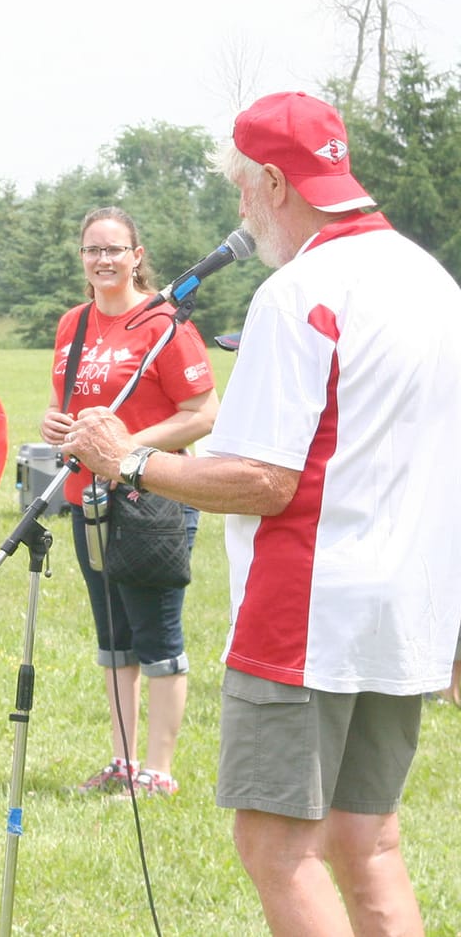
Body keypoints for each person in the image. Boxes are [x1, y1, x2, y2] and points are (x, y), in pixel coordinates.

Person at [65, 91, 461, 936]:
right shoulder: (432, 280)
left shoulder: (299, 291)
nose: (243, 211)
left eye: (245, 190)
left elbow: (265, 479)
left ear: (275, 182)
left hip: (308, 609)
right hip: (407, 608)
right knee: (368, 838)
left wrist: (127, 457)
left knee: (276, 846)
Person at [41, 206, 218, 798]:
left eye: (115, 250)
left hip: (153, 497)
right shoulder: (74, 323)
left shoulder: (165, 324)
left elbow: (201, 414)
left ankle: (159, 771)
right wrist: (58, 426)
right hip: (86, 497)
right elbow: (70, 402)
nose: (103, 260)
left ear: (137, 256)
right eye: (93, 250)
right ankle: (121, 763)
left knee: (157, 635)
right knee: (113, 637)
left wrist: (122, 448)